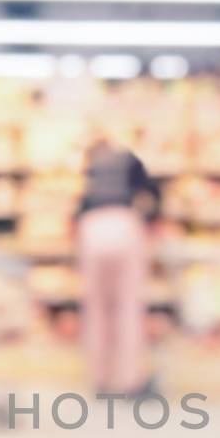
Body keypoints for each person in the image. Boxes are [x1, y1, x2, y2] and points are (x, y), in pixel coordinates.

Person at [76, 129, 161, 396]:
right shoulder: (130, 160)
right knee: (127, 307)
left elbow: (80, 204)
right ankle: (129, 380)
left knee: (96, 308)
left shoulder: (91, 165)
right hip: (124, 226)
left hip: (92, 229)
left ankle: (100, 379)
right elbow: (153, 194)